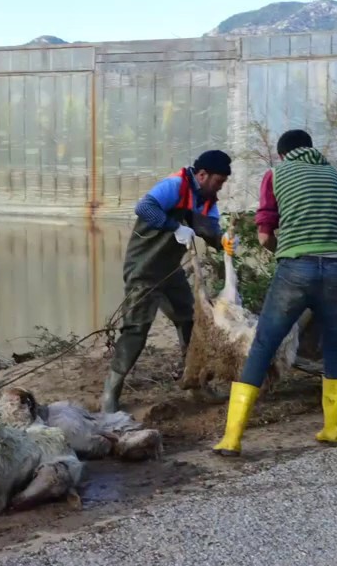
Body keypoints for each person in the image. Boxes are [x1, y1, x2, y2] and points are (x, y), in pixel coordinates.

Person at [212, 129, 337, 455]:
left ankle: (232, 438)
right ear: (310, 148)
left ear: (282, 155)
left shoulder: (276, 175)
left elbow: (264, 236)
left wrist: (287, 252)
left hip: (296, 269)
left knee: (264, 343)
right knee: (334, 344)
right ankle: (333, 429)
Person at [100, 150, 236, 413]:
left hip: (171, 272)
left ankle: (194, 383)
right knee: (136, 330)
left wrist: (224, 242)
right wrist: (176, 227)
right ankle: (110, 391)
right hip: (144, 270)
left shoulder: (206, 200)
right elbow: (144, 208)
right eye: (218, 181)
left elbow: (210, 230)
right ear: (202, 174)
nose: (220, 186)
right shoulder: (175, 185)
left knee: (191, 321)